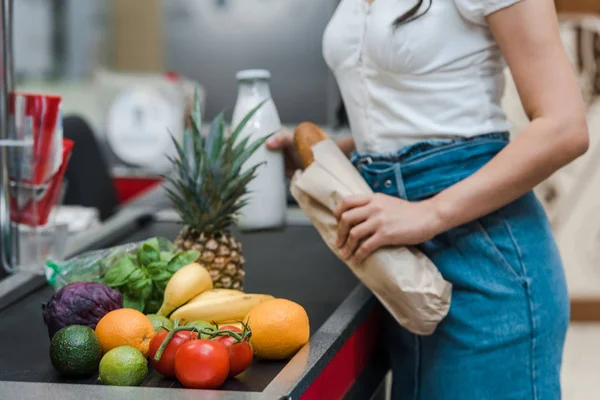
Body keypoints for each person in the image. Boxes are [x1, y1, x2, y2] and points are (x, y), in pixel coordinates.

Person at [267, 0, 589, 399]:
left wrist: (429, 213)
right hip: (396, 267)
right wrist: (323, 155)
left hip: (484, 260)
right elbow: (405, 128)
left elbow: (565, 127)